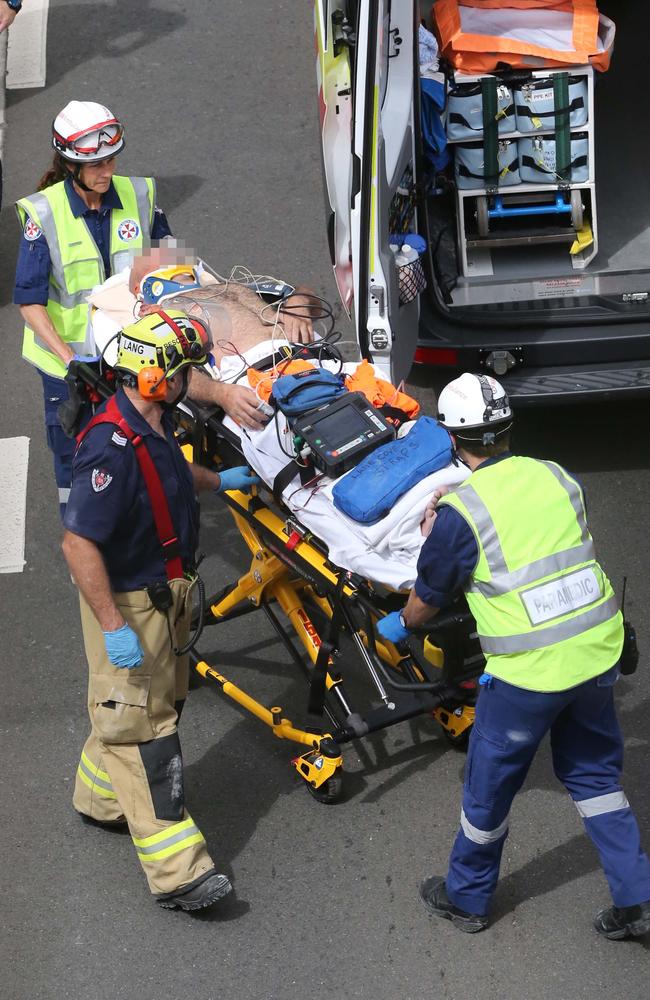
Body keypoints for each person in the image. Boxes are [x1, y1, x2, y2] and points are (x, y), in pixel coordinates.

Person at [377, 373, 650, 940]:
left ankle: (467, 898)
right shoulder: (557, 476)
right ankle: (638, 897)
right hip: (597, 654)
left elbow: (430, 595)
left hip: (527, 679)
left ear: (455, 441)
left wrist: (402, 622)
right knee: (597, 779)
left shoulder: (461, 512)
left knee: (489, 790)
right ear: (506, 430)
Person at [62, 309, 259, 911]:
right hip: (129, 604)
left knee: (139, 707)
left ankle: (99, 799)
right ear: (153, 378)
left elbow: (169, 471)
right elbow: (77, 544)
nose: (189, 381)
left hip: (164, 594)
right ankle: (179, 873)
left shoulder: (153, 425)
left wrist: (220, 481)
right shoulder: (110, 448)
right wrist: (114, 627)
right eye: (182, 373)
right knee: (146, 733)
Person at [13, 100, 172, 515]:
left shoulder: (140, 194)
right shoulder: (43, 214)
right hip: (70, 365)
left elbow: (168, 265)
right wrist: (69, 361)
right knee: (75, 455)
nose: (108, 171)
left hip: (131, 353)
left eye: (111, 160)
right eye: (97, 165)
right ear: (71, 166)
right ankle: (81, 532)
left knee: (148, 437)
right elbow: (29, 303)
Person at [128, 250, 324, 430]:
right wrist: (220, 394)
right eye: (151, 260)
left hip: (314, 357)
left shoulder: (231, 287)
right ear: (143, 304)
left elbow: (308, 298)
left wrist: (299, 302)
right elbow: (175, 374)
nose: (164, 253)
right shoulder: (161, 317)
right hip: (261, 383)